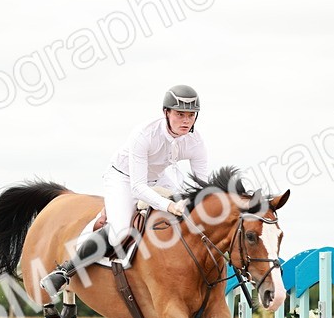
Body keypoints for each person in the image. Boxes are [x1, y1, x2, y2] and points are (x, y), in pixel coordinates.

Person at [40, 84, 211, 299]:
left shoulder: (196, 142)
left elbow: (201, 187)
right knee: (120, 231)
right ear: (166, 113)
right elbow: (138, 187)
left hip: (158, 177)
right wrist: (169, 205)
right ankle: (65, 271)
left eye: (191, 115)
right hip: (123, 177)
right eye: (179, 114)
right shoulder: (144, 134)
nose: (186, 121)